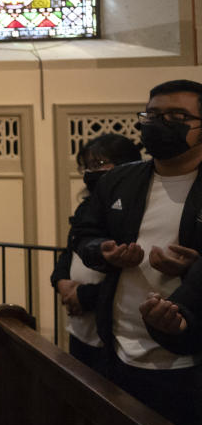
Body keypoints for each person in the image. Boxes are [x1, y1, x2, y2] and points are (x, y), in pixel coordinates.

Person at [71, 80, 202, 425]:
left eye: (177, 116)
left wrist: (192, 270)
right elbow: (83, 234)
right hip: (116, 348)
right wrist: (103, 252)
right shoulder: (120, 180)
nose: (161, 123)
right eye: (153, 115)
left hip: (187, 360)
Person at [50, 134, 142, 372]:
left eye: (98, 164)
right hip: (80, 327)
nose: (90, 172)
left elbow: (136, 272)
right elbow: (72, 249)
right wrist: (61, 282)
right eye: (87, 166)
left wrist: (84, 295)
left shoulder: (134, 210)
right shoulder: (87, 206)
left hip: (112, 330)